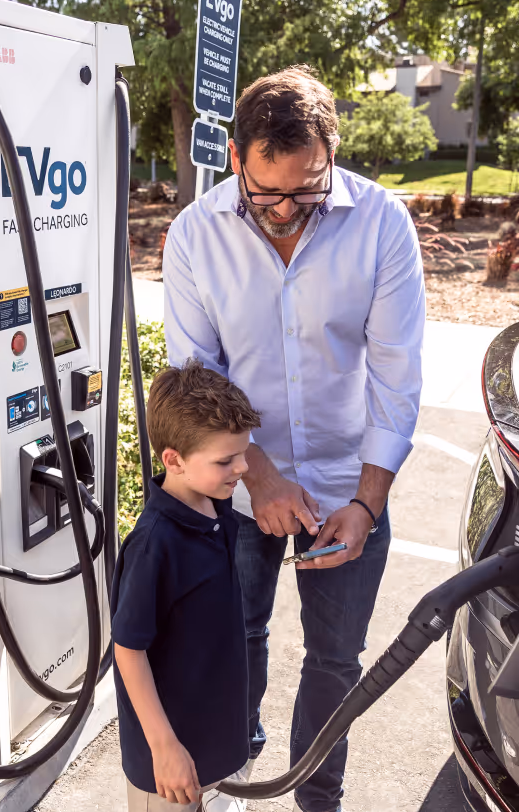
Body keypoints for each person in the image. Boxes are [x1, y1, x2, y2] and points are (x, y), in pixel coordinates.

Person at [162, 66, 425, 812]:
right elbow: (198, 376)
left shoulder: (381, 224)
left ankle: (318, 798)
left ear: (331, 155)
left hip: (349, 483)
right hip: (237, 486)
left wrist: (368, 502)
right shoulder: (193, 236)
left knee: (336, 659)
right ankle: (236, 774)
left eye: (307, 189)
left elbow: (397, 376)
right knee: (234, 639)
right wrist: (262, 478)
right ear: (237, 158)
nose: (285, 211)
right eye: (266, 191)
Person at [112, 360, 262, 810]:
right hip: (168, 763)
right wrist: (164, 748)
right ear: (173, 460)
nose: (242, 467)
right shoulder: (154, 545)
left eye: (243, 453)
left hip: (207, 743)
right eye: (225, 460)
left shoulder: (216, 511)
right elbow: (128, 649)